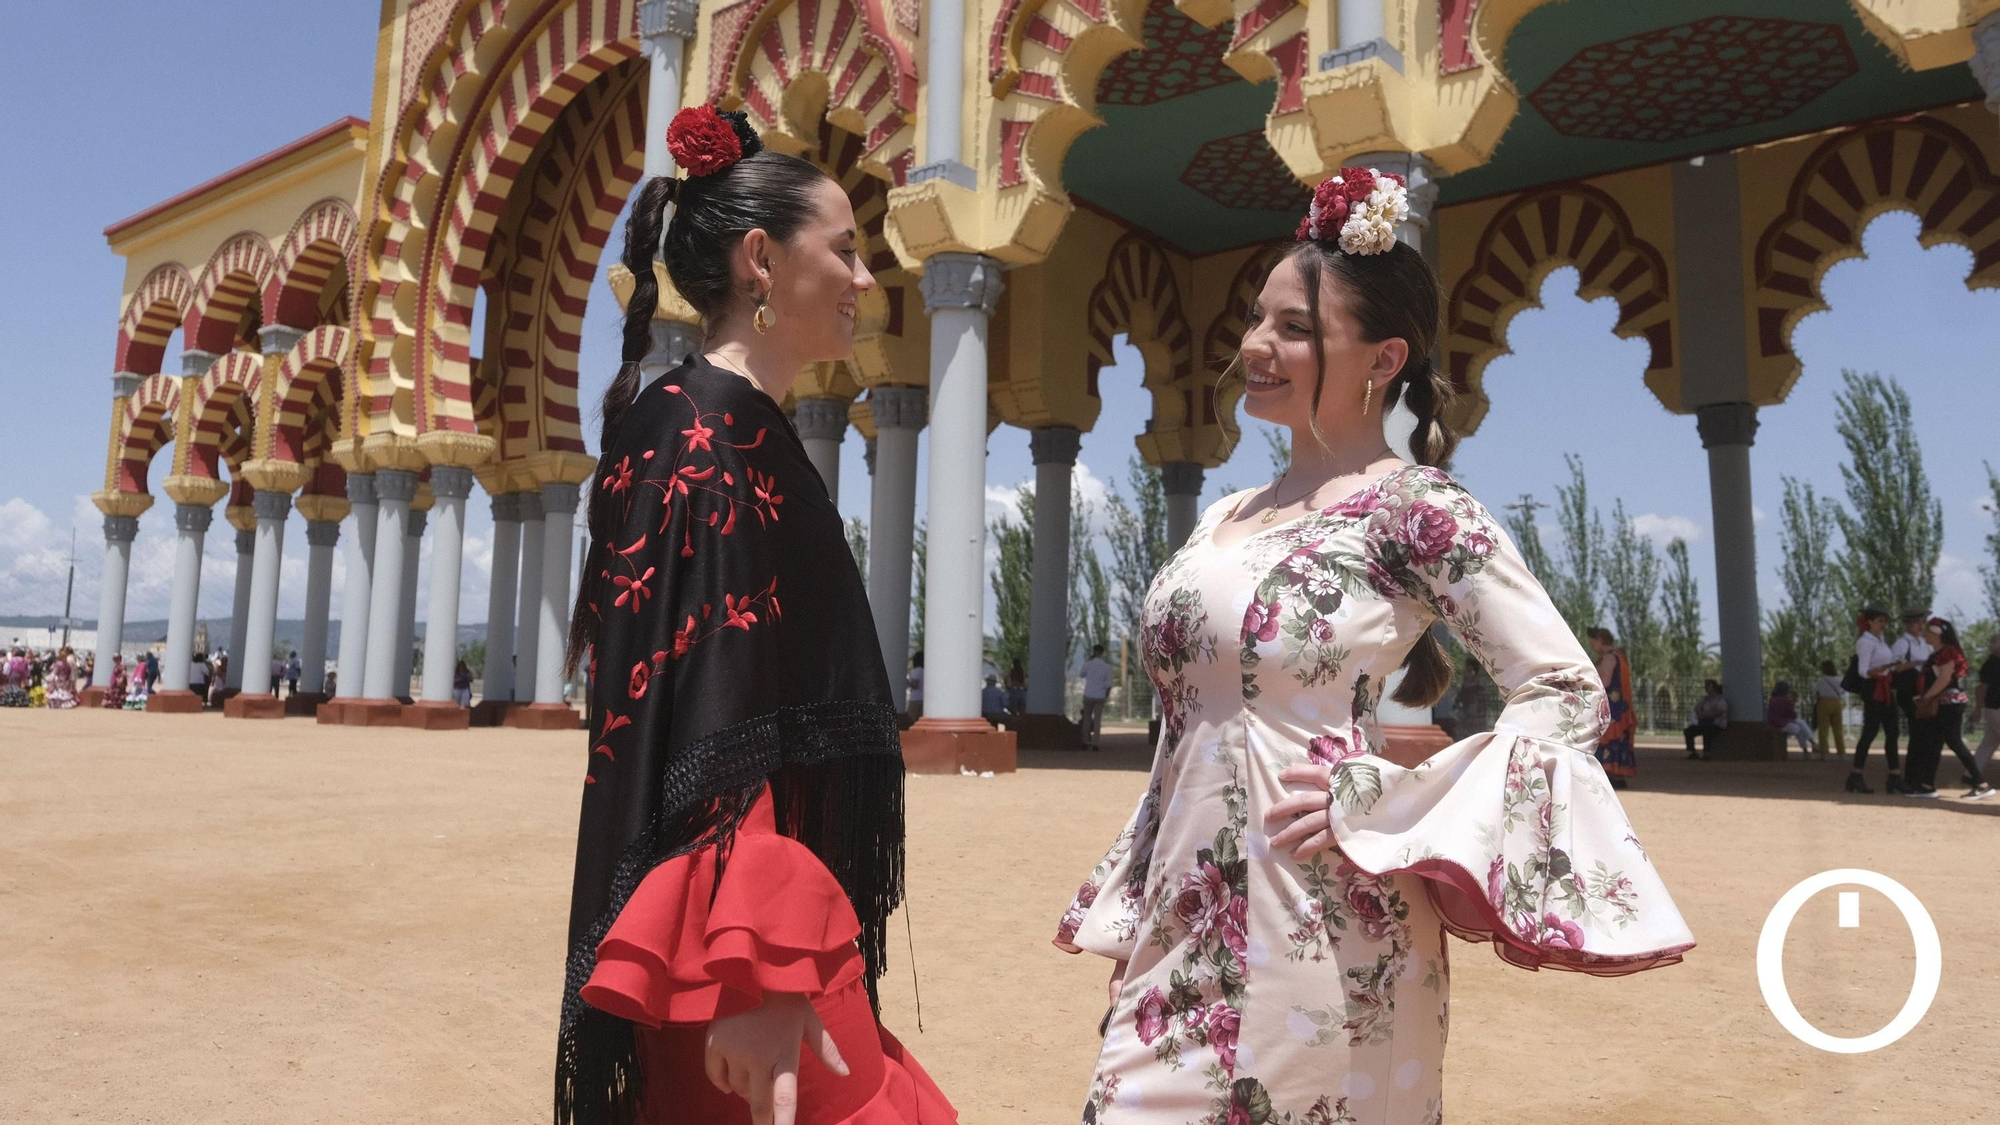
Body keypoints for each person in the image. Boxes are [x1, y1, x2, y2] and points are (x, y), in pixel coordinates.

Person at [1055, 170, 1692, 1125]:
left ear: (1383, 356)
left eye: (1296, 329)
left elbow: (1566, 688)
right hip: (1184, 922)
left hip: (1328, 926)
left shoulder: (1415, 508)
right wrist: (1138, 918)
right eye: (1258, 319)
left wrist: (1401, 800)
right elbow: (1186, 738)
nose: (1256, 347)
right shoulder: (1225, 514)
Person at [554, 106, 952, 1125]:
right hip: (730, 946)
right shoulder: (693, 427)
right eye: (847, 250)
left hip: (769, 924)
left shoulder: (740, 426)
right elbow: (706, 716)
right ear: (761, 260)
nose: (866, 280)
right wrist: (755, 974)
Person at [1903, 617, 1994, 800]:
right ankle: (1927, 785)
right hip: (1944, 703)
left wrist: (1925, 697)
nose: (1925, 633)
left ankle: (1980, 783)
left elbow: (1944, 678)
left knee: (1953, 742)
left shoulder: (1947, 652)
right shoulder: (1939, 653)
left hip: (1949, 704)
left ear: (1937, 635)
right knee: (1935, 743)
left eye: (1928, 631)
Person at [1848, 607, 1905, 793]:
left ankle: (1894, 775)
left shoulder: (1880, 640)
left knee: (1892, 731)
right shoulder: (1865, 642)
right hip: (1874, 688)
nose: (1883, 625)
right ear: (1870, 622)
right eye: (1880, 621)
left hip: (1885, 686)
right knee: (1870, 732)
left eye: (1884, 621)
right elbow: (1862, 670)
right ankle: (1856, 774)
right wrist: (1876, 671)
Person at [1587, 627, 1637, 788]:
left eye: (1593, 642)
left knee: (1608, 739)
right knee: (1616, 740)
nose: (1592, 646)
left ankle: (1609, 774)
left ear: (1600, 641)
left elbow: (1605, 681)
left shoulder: (1609, 658)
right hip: (1619, 707)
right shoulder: (1618, 656)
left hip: (1612, 708)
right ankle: (1616, 774)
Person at [1765, 681, 1816, 759]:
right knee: (1800, 727)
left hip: (1773, 722)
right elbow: (1793, 715)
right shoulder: (1785, 700)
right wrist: (1792, 703)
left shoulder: (1773, 699)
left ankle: (1809, 746)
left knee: (1800, 724)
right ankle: (1810, 744)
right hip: (1781, 724)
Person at [1079, 643, 1115, 752]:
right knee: (1097, 720)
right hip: (1100, 695)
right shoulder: (1106, 667)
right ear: (1102, 653)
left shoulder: (1088, 664)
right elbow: (1109, 683)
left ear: (1094, 652)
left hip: (1088, 694)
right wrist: (1106, 694)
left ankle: (1085, 742)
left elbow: (1081, 674)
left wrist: (1089, 660)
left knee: (1087, 719)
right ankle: (1095, 743)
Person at [1973, 633, 2000, 780]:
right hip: (1996, 708)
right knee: (1988, 743)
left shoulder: (1992, 663)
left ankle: (1971, 773)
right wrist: (1978, 709)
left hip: (1993, 709)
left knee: (1988, 743)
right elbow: (1981, 688)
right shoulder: (1992, 665)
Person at [1811, 659, 1845, 762]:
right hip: (1836, 703)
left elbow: (1815, 694)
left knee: (1823, 730)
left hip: (1823, 703)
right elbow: (1842, 691)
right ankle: (1841, 753)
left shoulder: (1821, 680)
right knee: (1838, 729)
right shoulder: (1839, 679)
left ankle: (1824, 753)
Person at [1684, 679, 1728, 760]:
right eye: (1706, 687)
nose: (1707, 689)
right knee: (1689, 731)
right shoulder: (1704, 700)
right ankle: (1692, 752)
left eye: (1709, 687)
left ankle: (1707, 753)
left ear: (1715, 688)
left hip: (1717, 724)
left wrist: (1706, 715)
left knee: (1707, 731)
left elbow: (1718, 711)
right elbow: (1697, 708)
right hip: (1704, 722)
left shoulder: (1720, 700)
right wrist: (1701, 715)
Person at [905, 650, 924, 725]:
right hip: (923, 699)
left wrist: (907, 681)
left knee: (911, 720)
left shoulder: (916, 671)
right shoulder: (924, 671)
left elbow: (915, 684)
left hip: (915, 699)